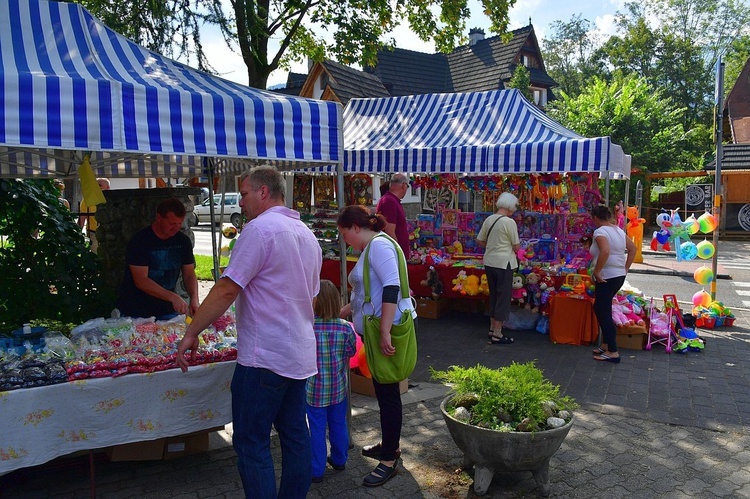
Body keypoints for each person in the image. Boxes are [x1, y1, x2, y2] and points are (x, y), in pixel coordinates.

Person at [176, 166, 322, 498]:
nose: (240, 202)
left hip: (264, 357)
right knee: (296, 436)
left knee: (252, 442)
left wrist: (192, 331)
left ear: (263, 192)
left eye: (243, 194)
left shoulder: (260, 230)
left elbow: (227, 289)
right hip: (297, 352)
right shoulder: (305, 233)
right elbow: (310, 297)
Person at [337, 205, 415, 488]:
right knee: (385, 392)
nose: (345, 240)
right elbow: (368, 292)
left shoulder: (379, 245)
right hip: (378, 328)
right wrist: (343, 311)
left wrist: (384, 332)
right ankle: (389, 446)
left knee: (389, 392)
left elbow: (393, 286)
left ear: (355, 227)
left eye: (345, 234)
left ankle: (389, 459)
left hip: (386, 329)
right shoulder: (373, 246)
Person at [307, 279, 357, 484]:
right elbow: (351, 352)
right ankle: (339, 459)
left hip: (313, 390)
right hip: (338, 389)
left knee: (316, 429)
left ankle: (316, 469)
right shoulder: (345, 329)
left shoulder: (308, 328)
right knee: (338, 425)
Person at [116, 198, 199, 320]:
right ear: (159, 218)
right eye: (171, 224)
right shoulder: (140, 241)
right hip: (135, 310)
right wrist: (172, 297)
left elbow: (189, 274)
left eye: (179, 224)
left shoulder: (183, 241)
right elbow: (141, 280)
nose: (176, 228)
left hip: (166, 310)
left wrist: (194, 298)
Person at [590, 204, 637, 363]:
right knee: (603, 307)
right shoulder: (618, 230)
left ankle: (613, 351)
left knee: (602, 311)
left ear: (596, 218)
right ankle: (606, 343)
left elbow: (605, 251)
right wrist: (625, 268)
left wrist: (597, 271)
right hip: (618, 275)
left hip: (607, 276)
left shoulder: (600, 231)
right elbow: (633, 249)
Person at [476, 192, 521, 345]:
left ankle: (491, 328)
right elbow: (516, 246)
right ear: (510, 207)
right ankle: (497, 333)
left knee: (494, 295)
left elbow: (480, 240)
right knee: (503, 297)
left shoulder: (489, 219)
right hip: (504, 263)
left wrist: (492, 246)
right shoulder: (509, 223)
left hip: (489, 261)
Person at [376, 173, 410, 258]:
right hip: (394, 255)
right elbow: (389, 230)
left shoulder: (391, 200)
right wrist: (398, 252)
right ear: (403, 186)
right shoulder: (389, 201)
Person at [77, 178, 110, 253]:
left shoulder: (112, 200)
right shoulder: (87, 200)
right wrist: (78, 233)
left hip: (109, 233)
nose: (97, 188)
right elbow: (82, 218)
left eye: (100, 185)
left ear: (107, 188)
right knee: (95, 254)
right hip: (93, 234)